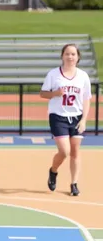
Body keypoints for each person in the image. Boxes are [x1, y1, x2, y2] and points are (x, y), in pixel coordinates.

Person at [39, 43, 92, 196]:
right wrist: (55, 93)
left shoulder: (83, 76)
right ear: (62, 56)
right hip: (58, 116)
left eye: (73, 54)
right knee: (64, 151)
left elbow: (86, 99)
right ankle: (53, 170)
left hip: (76, 116)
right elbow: (43, 94)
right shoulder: (53, 74)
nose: (70, 57)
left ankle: (74, 183)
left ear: (78, 57)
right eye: (67, 54)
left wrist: (83, 119)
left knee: (75, 152)